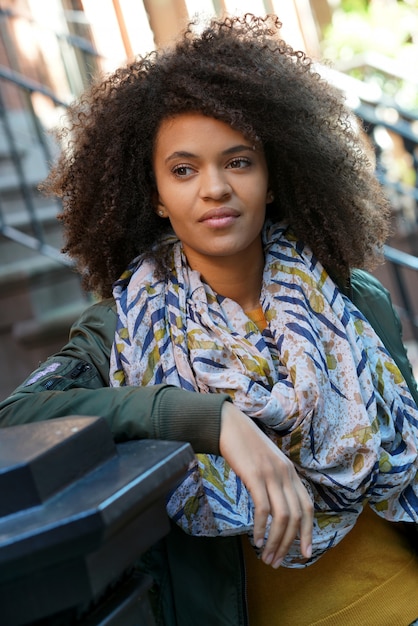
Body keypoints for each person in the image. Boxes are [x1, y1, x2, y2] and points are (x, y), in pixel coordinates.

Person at [1, 12, 418, 625]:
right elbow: (15, 417)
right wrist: (209, 417)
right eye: (184, 169)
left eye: (239, 161)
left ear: (273, 178)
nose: (215, 188)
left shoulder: (354, 298)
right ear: (156, 198)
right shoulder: (122, 332)